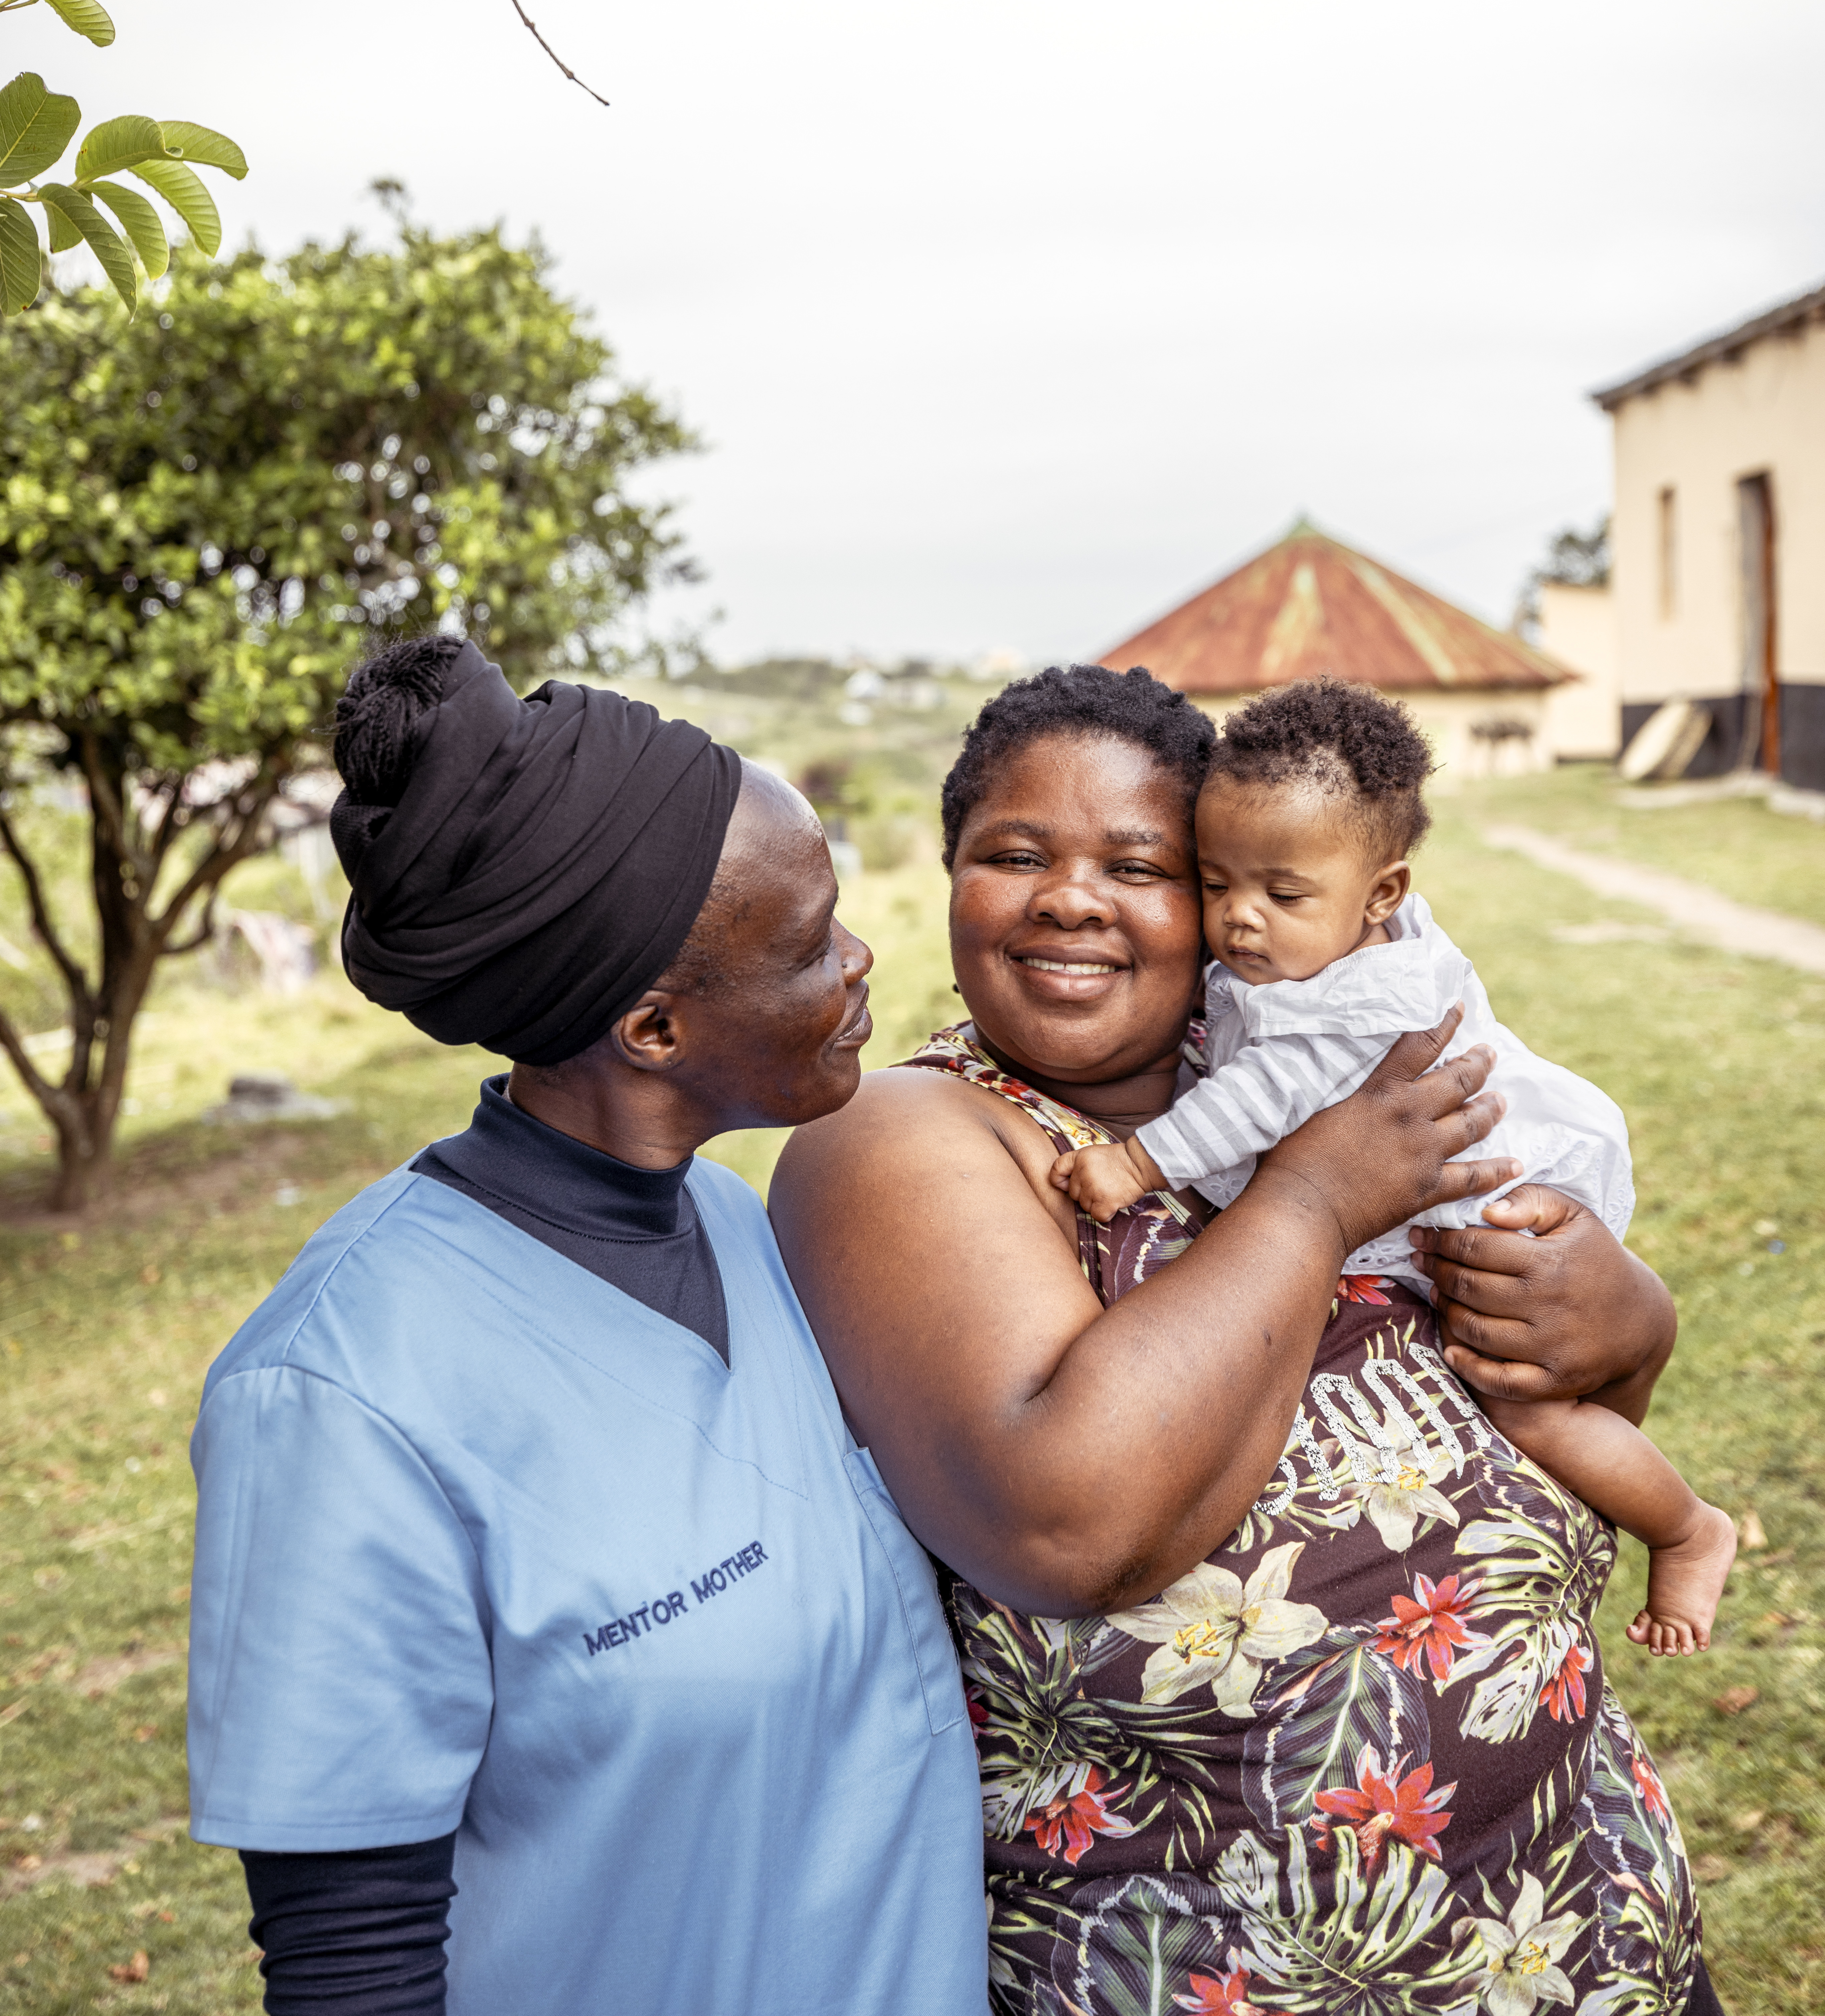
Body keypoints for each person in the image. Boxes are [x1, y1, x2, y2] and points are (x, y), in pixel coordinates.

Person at [772, 663, 1716, 2016]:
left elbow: (1567, 1418)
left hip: (1582, 1918)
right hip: (1227, 1969)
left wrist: (1629, 1322)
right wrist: (1315, 1202)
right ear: (952, 876)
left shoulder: (1327, 1065)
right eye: (1014, 855)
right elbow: (1073, 1525)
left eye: (1140, 866)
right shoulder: (911, 1137)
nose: (1070, 898)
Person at [185, 635, 987, 2016]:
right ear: (653, 1029)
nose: (862, 961)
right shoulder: (339, 1392)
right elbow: (351, 1962)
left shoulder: (740, 1226)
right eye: (810, 943)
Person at [1049, 677, 1736, 1655]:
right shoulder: (1322, 945)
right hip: (1419, 1191)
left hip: (1483, 1218)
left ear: (1383, 895)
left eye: (1283, 895)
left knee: (1533, 1415)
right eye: (1216, 884)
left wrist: (1136, 1164)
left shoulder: (1360, 1002)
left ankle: (1687, 1528)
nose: (1241, 920)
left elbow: (1257, 1098)